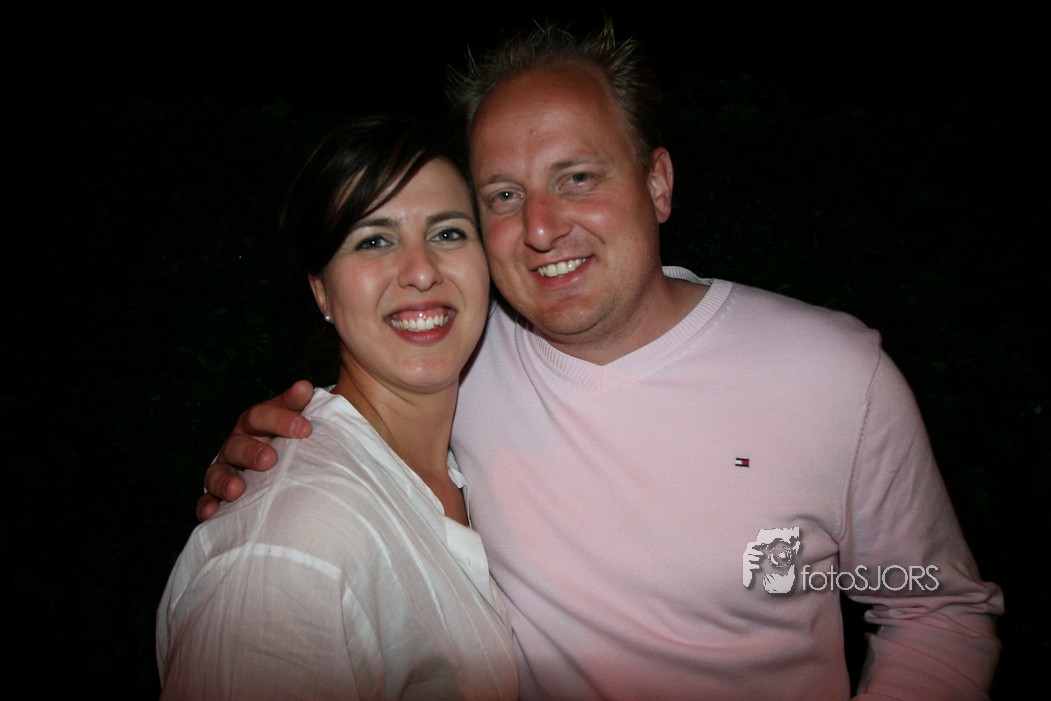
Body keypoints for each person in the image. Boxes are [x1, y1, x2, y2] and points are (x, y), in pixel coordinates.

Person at [200, 23, 1003, 700]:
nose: (540, 227)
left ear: (657, 183)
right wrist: (275, 461)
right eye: (503, 196)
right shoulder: (457, 356)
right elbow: (359, 437)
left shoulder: (833, 375)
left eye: (576, 178)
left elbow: (934, 608)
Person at [157, 117, 517, 699]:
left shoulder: (465, 445)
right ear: (321, 290)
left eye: (449, 233)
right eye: (374, 240)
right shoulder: (290, 554)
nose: (421, 270)